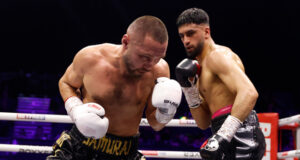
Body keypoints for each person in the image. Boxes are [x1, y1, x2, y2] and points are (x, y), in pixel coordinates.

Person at [46, 15, 182, 160]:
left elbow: (156, 124)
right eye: (145, 57)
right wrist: (75, 109)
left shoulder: (160, 71)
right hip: (81, 145)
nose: (151, 64)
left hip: (125, 152)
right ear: (126, 42)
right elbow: (66, 83)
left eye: (158, 58)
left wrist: (166, 113)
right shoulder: (90, 58)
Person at [175, 8, 266, 160]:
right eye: (182, 36)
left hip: (242, 135)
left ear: (206, 32)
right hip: (222, 133)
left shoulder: (217, 56)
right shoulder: (198, 70)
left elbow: (249, 93)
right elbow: (203, 122)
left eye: (190, 33)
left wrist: (222, 136)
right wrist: (189, 89)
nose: (186, 41)